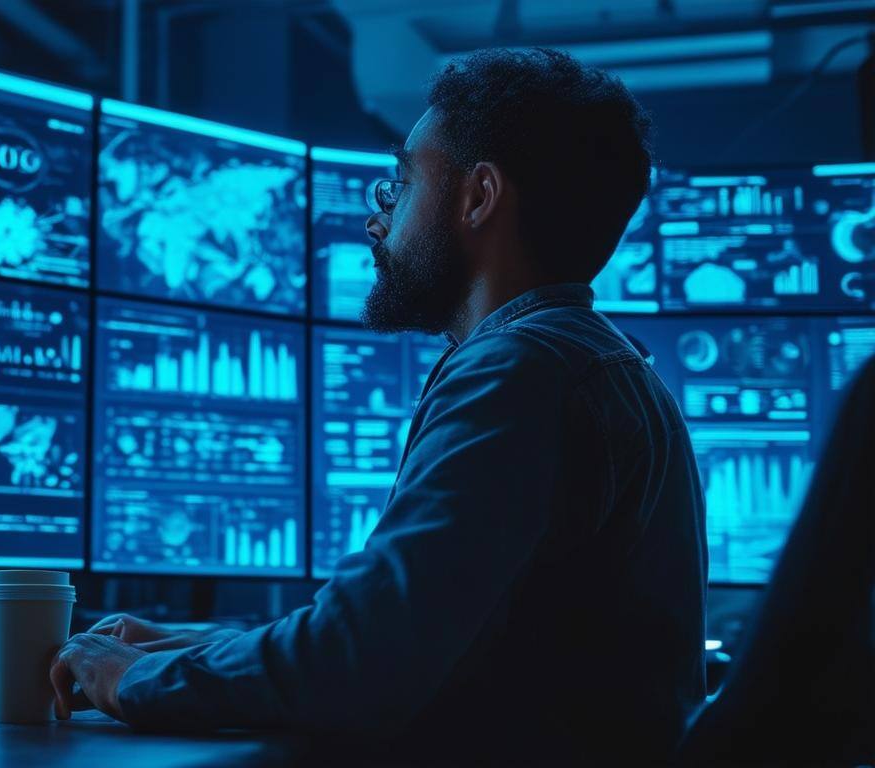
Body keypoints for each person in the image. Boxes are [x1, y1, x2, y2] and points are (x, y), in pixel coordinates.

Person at [50, 47, 707, 764]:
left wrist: (139, 680)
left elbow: (359, 661)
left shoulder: (522, 370)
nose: (377, 219)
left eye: (402, 181)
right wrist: (202, 646)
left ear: (478, 197)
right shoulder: (598, 361)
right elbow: (422, 636)